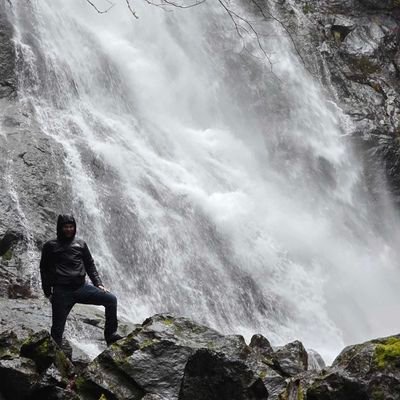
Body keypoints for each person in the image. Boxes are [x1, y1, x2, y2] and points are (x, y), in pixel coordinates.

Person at [39, 214, 122, 346]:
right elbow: (44, 269)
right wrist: (47, 292)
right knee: (57, 330)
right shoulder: (50, 246)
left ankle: (110, 335)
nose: (68, 229)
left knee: (111, 300)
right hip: (62, 292)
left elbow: (90, 265)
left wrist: (98, 284)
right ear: (60, 228)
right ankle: (54, 359)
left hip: (81, 288)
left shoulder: (81, 244)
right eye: (65, 227)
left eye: (71, 226)